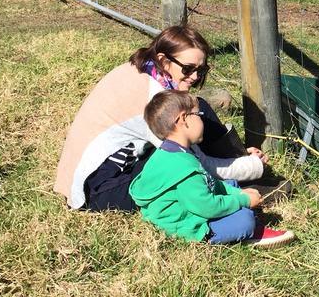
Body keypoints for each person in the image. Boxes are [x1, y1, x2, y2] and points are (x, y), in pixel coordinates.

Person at [54, 24, 290, 212]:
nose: (195, 76)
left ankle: (234, 162)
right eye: (188, 69)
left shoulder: (146, 70)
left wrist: (238, 161)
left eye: (201, 70)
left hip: (104, 170)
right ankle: (237, 186)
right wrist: (252, 167)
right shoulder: (153, 98)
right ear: (165, 60)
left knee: (198, 108)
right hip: (101, 188)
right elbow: (192, 164)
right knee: (182, 173)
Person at [129, 90, 294, 247]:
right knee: (245, 219)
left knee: (231, 184)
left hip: (188, 206)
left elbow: (208, 183)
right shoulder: (183, 168)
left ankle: (242, 215)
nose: (203, 120)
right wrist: (243, 200)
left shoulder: (171, 152)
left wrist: (237, 193)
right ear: (183, 119)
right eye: (199, 115)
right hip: (185, 225)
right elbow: (206, 207)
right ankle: (252, 232)